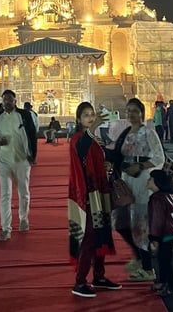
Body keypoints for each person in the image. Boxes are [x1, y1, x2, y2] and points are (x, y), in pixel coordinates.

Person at [106, 97, 164, 282]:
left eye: (135, 111)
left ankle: (147, 268)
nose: (131, 114)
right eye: (128, 111)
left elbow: (159, 157)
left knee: (140, 223)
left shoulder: (148, 133)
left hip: (141, 180)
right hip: (126, 180)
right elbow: (117, 154)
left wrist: (140, 166)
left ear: (142, 113)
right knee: (120, 221)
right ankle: (138, 256)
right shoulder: (125, 133)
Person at [68, 102, 120, 298]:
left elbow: (98, 159)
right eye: (86, 115)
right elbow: (82, 149)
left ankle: (99, 276)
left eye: (92, 114)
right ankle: (80, 281)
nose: (90, 118)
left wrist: (107, 166)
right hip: (87, 194)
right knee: (89, 237)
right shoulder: (77, 138)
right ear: (78, 119)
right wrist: (95, 125)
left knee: (101, 234)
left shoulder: (95, 139)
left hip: (100, 192)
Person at [0, 89, 37, 241]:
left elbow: (32, 135)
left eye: (10, 100)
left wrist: (33, 156)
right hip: (3, 159)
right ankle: (6, 228)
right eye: (5, 100)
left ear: (15, 101)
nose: (7, 102)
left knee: (23, 192)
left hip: (21, 159)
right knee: (5, 194)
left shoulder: (23, 115)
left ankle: (23, 218)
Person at [147, 169, 173, 297]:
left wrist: (154, 237)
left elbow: (157, 220)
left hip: (163, 233)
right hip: (169, 233)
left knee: (164, 260)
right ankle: (163, 283)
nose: (148, 181)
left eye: (150, 179)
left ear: (157, 182)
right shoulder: (167, 196)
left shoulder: (157, 199)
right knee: (165, 259)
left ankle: (171, 287)